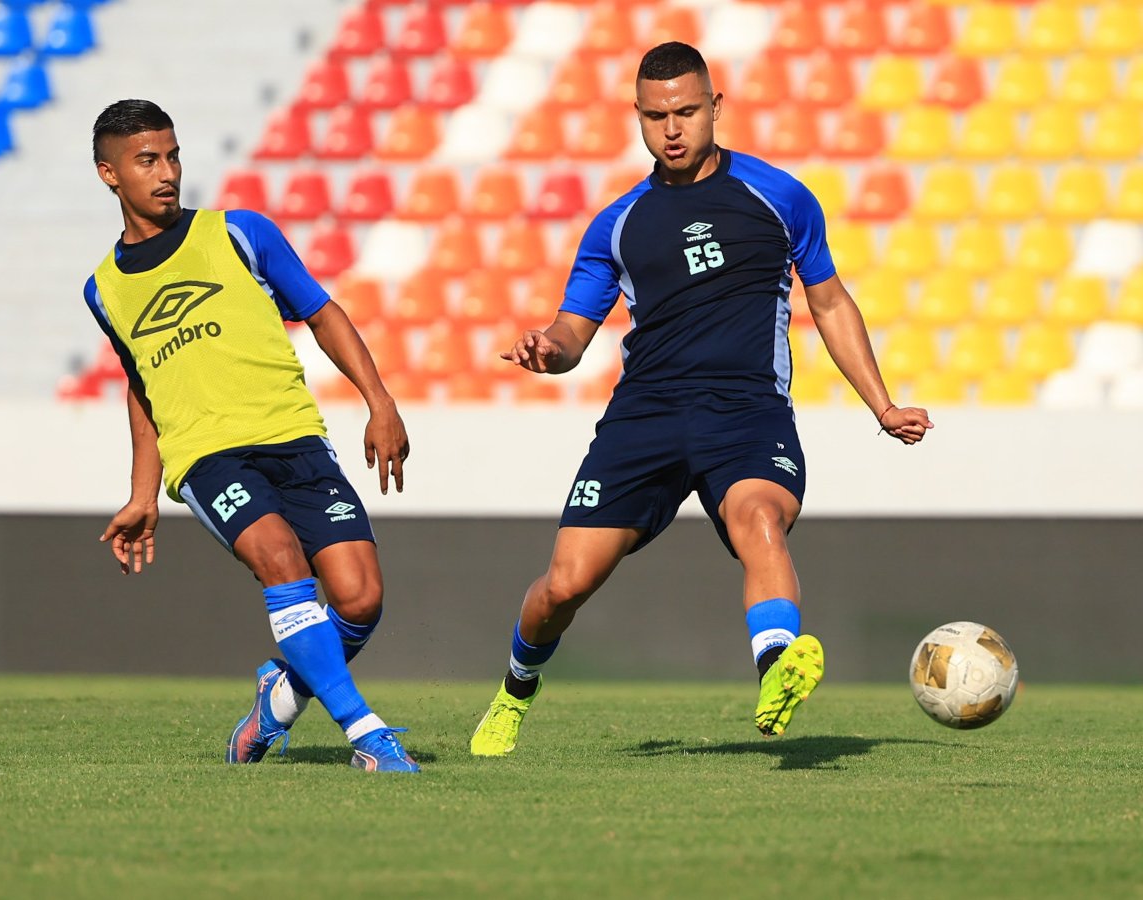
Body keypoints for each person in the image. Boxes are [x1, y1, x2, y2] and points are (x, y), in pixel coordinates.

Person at [470, 43, 933, 756]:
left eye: (687, 111)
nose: (673, 128)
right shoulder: (618, 224)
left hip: (746, 413)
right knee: (564, 586)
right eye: (656, 116)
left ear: (717, 107)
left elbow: (831, 301)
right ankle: (514, 689)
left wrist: (882, 405)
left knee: (760, 521)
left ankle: (777, 669)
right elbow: (572, 333)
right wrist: (546, 350)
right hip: (645, 418)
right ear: (638, 118)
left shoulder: (779, 197)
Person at [85, 99, 419, 773]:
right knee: (281, 562)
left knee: (360, 598)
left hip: (295, 438)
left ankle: (281, 698)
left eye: (173, 155)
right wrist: (142, 493)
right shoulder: (104, 289)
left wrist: (378, 401)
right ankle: (369, 737)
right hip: (207, 457)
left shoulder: (242, 233)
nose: (167, 172)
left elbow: (323, 314)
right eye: (147, 160)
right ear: (109, 174)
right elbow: (143, 387)